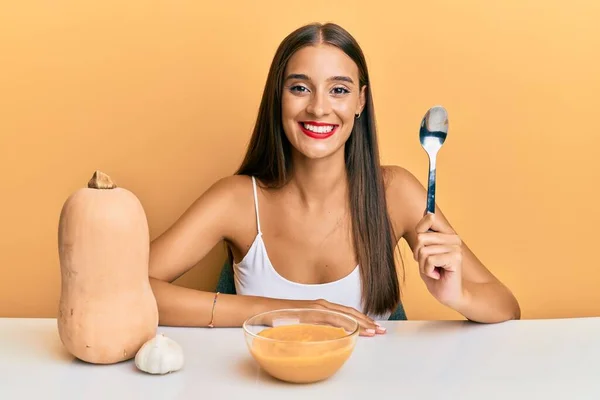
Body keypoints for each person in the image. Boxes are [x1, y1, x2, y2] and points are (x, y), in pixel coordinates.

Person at [148, 22, 520, 337]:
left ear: (360, 102)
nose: (319, 107)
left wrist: (457, 295)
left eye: (338, 90)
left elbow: (507, 307)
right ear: (278, 98)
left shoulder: (396, 192)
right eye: (299, 87)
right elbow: (132, 290)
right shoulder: (236, 200)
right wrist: (293, 312)